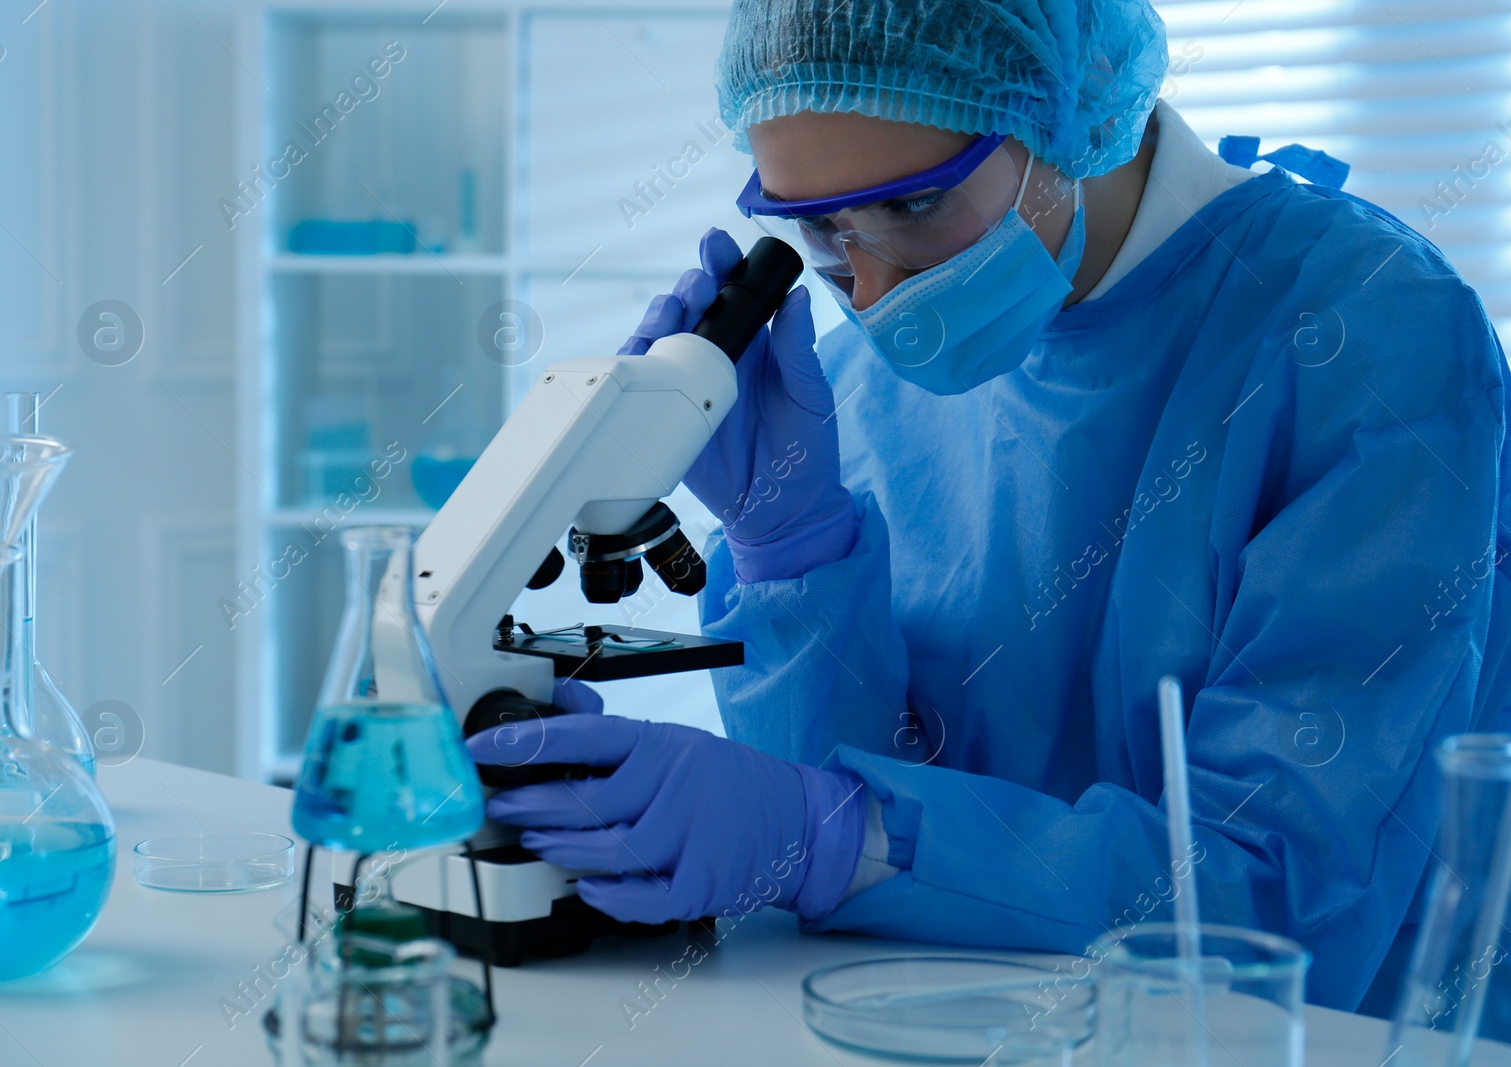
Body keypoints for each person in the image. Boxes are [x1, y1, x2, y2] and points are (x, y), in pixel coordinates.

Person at [467, 0, 1511, 1019]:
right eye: (817, 229)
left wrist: (839, 834)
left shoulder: (1365, 336)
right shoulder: (861, 384)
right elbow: (851, 804)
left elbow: (1279, 902)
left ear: (1071, 122)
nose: (868, 289)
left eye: (912, 206)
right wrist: (788, 548)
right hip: (947, 1017)